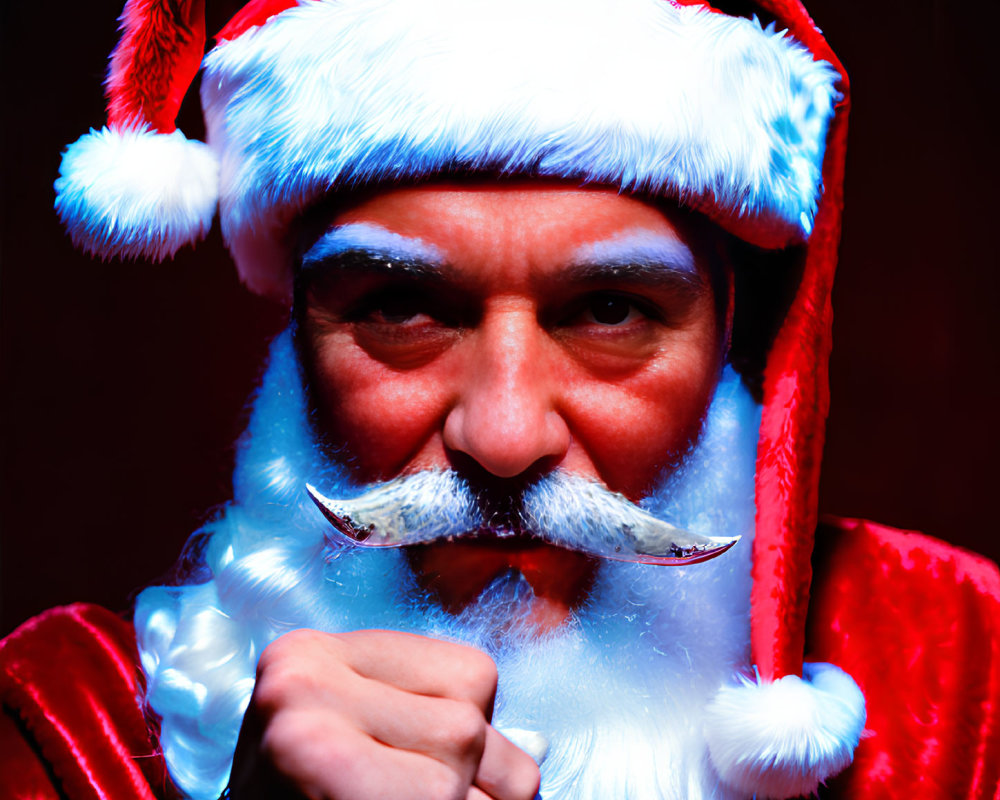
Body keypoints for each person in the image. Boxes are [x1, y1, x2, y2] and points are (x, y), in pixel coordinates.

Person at [2, 0, 998, 799]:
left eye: (610, 309)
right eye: (401, 307)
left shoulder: (963, 677)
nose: (506, 435)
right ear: (297, 339)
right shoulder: (64, 725)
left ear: (731, 334)